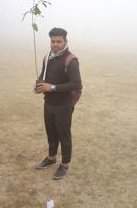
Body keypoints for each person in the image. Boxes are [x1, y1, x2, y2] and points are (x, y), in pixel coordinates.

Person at [34, 27, 82, 180]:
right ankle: (51, 158)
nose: (55, 44)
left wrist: (52, 87)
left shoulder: (71, 60)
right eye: (52, 41)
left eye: (58, 41)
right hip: (48, 103)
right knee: (51, 132)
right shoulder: (47, 57)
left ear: (65, 41)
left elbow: (76, 84)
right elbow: (43, 75)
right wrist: (39, 85)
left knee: (64, 135)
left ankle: (65, 164)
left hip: (64, 105)